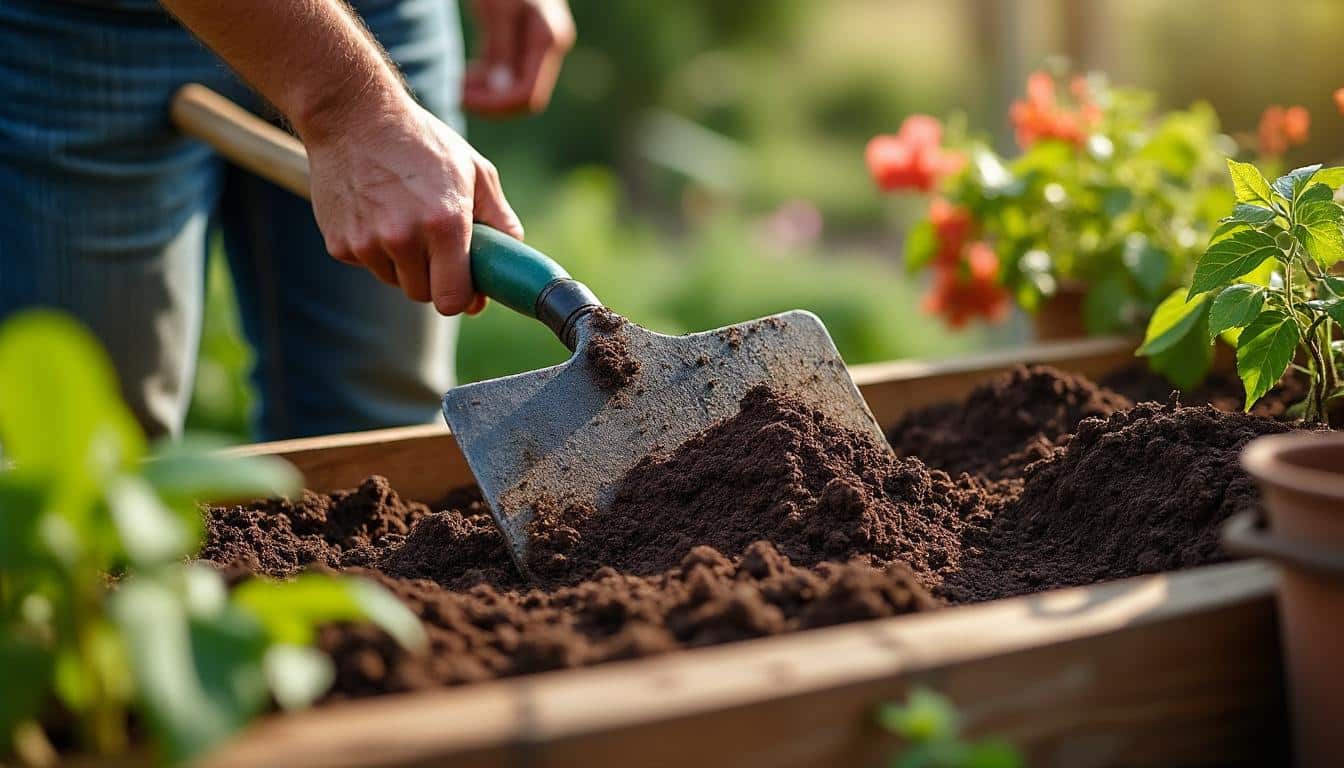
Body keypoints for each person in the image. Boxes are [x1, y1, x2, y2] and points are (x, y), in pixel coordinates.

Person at [0, 0, 574, 440]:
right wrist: (348, 107)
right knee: (92, 435)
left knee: (379, 439)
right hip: (81, 31)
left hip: (375, 20)